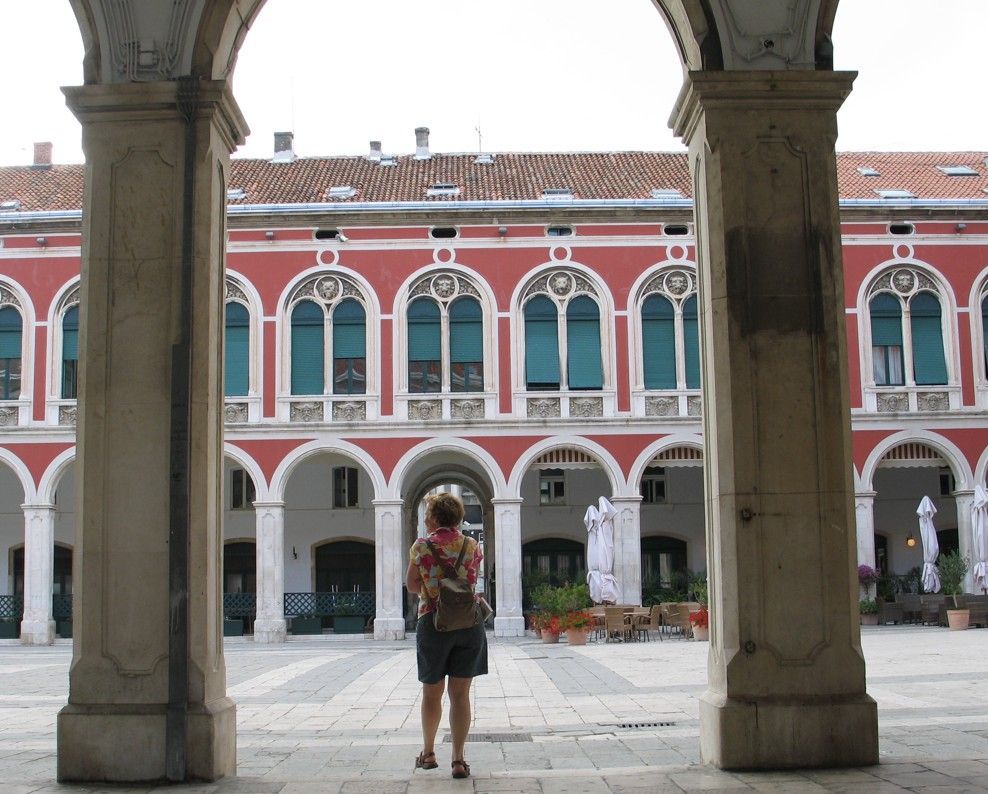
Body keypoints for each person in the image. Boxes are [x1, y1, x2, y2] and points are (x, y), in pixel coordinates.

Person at [405, 492, 487, 780]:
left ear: (436, 517)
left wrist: (433, 589)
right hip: (468, 623)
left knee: (432, 693)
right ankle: (459, 760)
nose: (426, 518)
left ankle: (428, 753)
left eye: (428, 514)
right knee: (461, 695)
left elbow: (412, 585)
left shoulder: (421, 546)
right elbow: (474, 578)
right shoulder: (471, 544)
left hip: (433, 622)